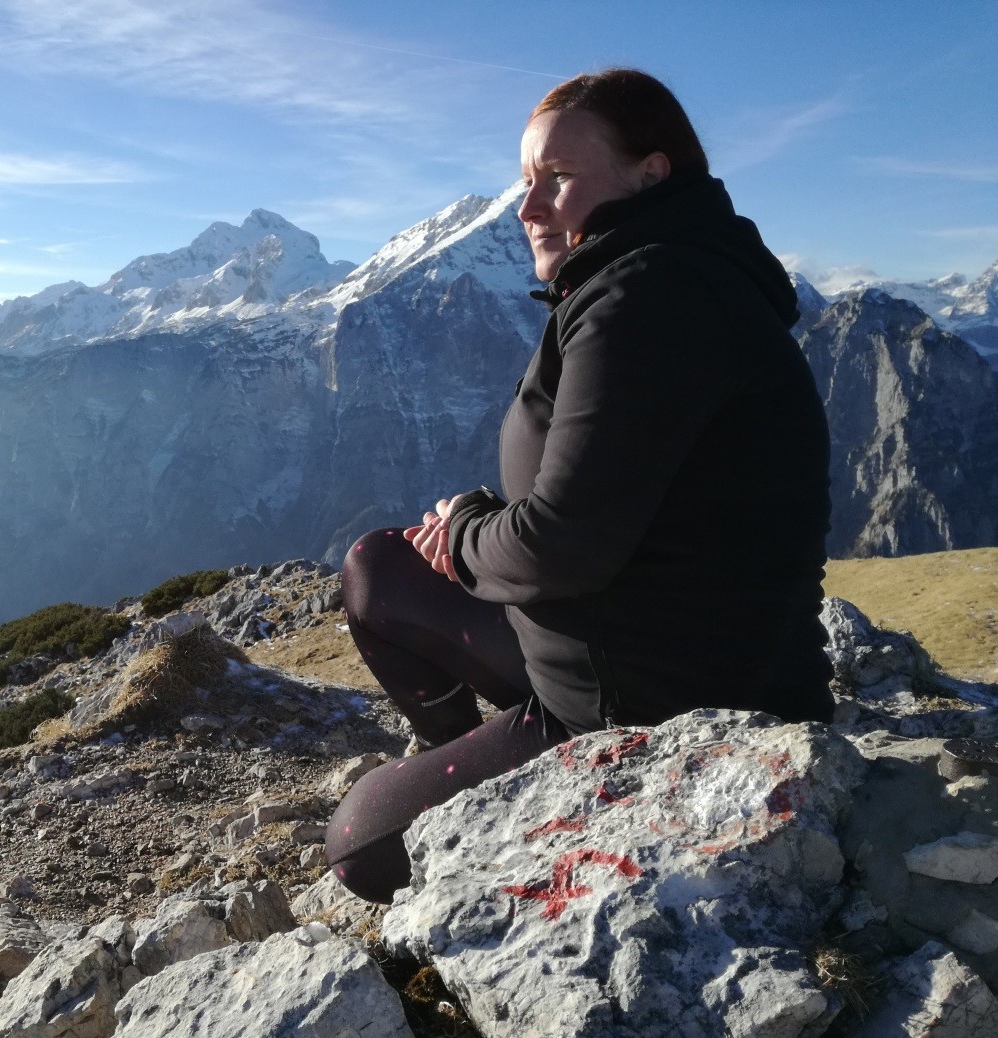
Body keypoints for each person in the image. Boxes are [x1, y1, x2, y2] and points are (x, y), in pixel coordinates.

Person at [325, 69, 834, 905]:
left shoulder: (652, 292)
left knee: (361, 846)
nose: (527, 209)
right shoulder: (653, 276)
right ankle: (484, 763)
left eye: (554, 180)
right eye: (526, 182)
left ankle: (513, 779)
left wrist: (461, 535)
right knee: (378, 569)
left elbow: (563, 542)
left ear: (650, 172)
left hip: (655, 710)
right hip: (597, 649)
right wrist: (476, 525)